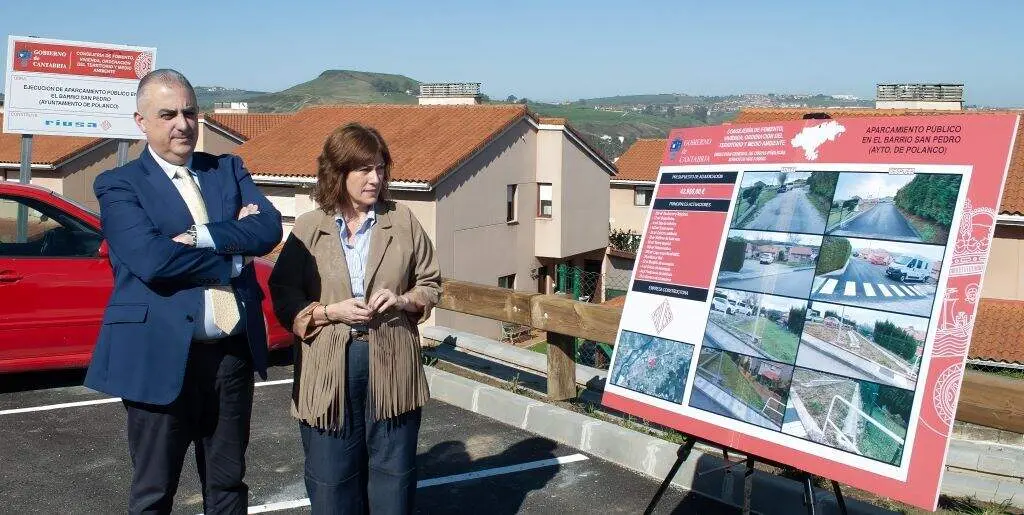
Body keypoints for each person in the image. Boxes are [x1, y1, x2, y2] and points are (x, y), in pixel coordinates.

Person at [84, 68, 283, 514]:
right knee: (154, 492)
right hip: (159, 356)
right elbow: (152, 260)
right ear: (141, 122)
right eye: (168, 114)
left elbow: (268, 228)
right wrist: (233, 255)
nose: (182, 124)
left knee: (228, 485)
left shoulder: (226, 169)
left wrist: (199, 236)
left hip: (230, 357)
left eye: (190, 113)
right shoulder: (119, 184)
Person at [269, 122, 440, 514]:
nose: (375, 178)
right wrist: (329, 311)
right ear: (338, 172)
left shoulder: (403, 220)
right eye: (364, 169)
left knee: (393, 474)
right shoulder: (309, 227)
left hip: (393, 360)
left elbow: (430, 283)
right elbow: (284, 294)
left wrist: (402, 299)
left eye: (380, 168)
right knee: (331, 477)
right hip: (328, 364)